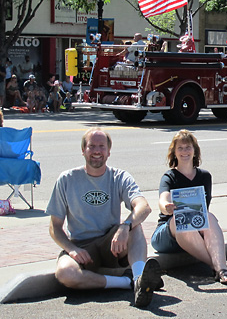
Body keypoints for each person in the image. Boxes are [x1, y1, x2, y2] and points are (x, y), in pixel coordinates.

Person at [46, 128, 163, 308]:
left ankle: (139, 279)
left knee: (135, 225)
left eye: (102, 146)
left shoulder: (119, 177)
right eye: (91, 146)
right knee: (65, 274)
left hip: (111, 243)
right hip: (81, 245)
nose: (97, 151)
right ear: (83, 150)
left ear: (109, 152)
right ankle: (128, 282)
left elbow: (143, 207)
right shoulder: (66, 179)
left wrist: (125, 226)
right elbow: (55, 227)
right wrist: (71, 249)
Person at [151, 130, 227, 285]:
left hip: (194, 231)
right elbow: (162, 199)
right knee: (181, 219)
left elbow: (203, 211)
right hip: (168, 233)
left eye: (188, 147)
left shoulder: (204, 176)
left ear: (195, 150)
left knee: (209, 217)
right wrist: (166, 207)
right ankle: (218, 266)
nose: (185, 151)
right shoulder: (169, 177)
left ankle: (221, 269)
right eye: (180, 148)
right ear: (174, 152)